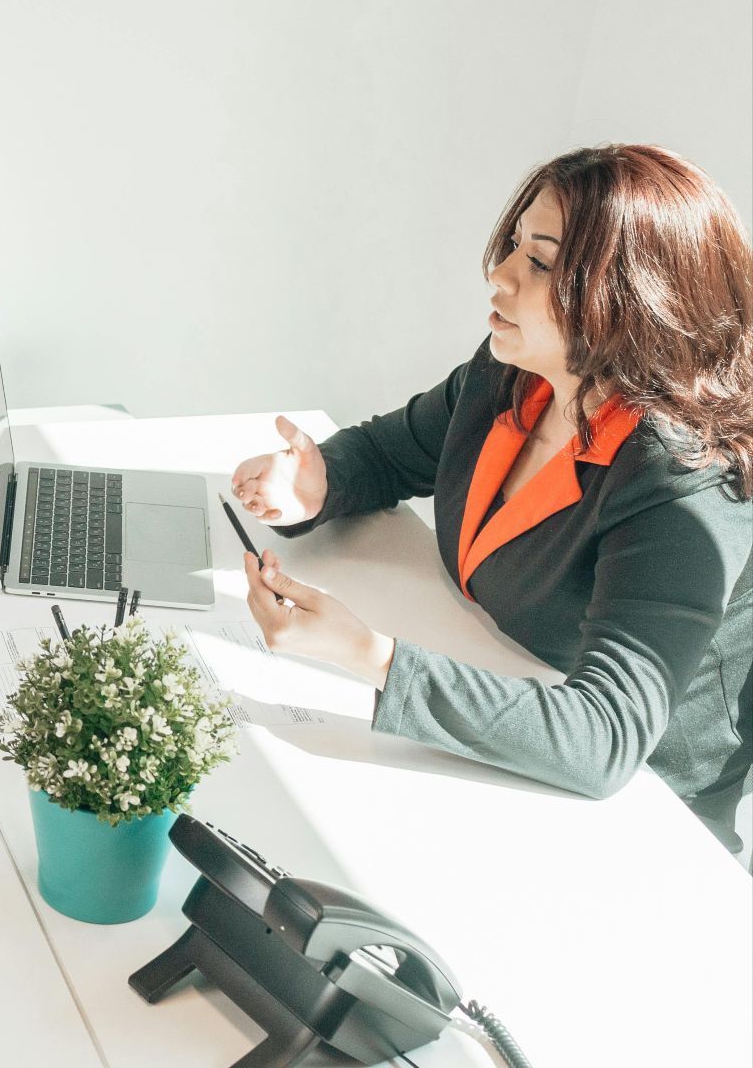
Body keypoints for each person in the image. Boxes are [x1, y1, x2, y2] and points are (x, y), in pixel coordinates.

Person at [230, 144, 753, 859]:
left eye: (538, 263)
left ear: (632, 300)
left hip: (641, 821)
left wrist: (368, 654)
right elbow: (389, 454)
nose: (498, 276)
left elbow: (603, 739)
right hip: (496, 702)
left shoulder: (686, 482)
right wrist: (318, 482)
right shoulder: (515, 374)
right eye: (513, 246)